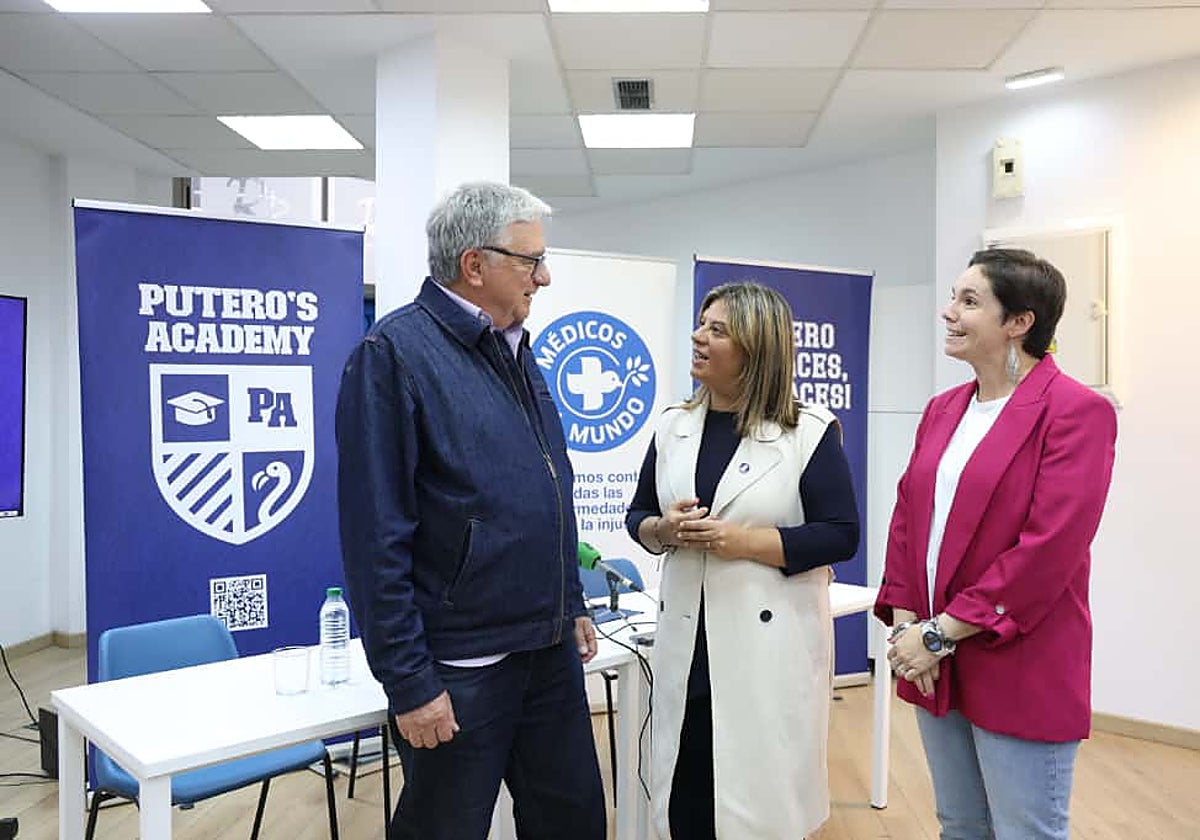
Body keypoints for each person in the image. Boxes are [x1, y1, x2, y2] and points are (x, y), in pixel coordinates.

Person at [335, 182, 605, 840]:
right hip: (460, 671)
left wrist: (569, 599)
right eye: (529, 259)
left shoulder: (517, 349)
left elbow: (551, 491)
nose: (545, 276)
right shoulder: (393, 355)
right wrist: (409, 682)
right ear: (474, 265)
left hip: (545, 653)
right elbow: (376, 540)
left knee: (574, 824)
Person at [875, 248, 1118, 840]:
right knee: (960, 825)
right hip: (934, 654)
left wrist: (938, 634)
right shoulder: (943, 409)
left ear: (1019, 322)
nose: (948, 312)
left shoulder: (1076, 412)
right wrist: (909, 627)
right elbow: (908, 515)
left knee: (1024, 830)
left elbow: (1049, 549)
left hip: (1016, 656)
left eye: (969, 300)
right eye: (953, 297)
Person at [625, 281, 860, 839]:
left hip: (767, 645)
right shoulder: (672, 427)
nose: (697, 337)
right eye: (701, 324)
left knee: (759, 796)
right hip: (689, 640)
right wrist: (665, 528)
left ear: (756, 348)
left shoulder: (808, 432)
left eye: (717, 329)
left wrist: (741, 542)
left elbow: (839, 535)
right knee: (687, 787)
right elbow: (639, 516)